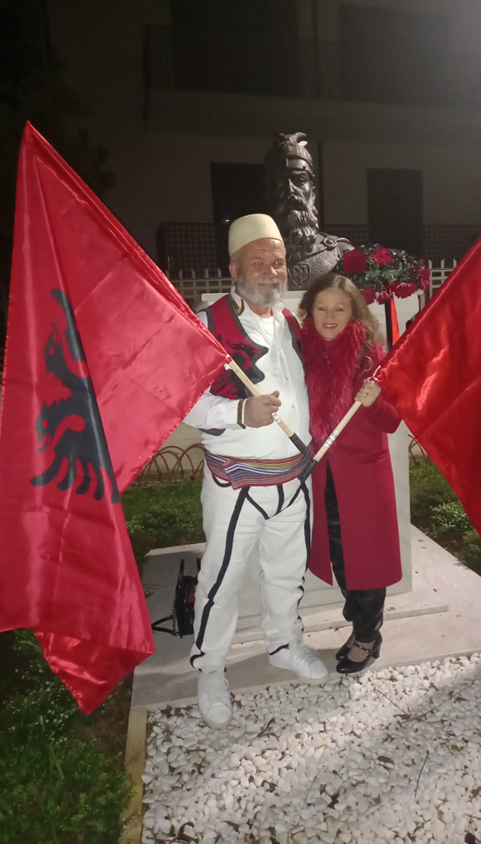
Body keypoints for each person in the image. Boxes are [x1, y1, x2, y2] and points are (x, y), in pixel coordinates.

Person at [184, 213, 328, 728]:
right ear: (234, 268)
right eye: (259, 261)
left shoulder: (291, 322)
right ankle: (209, 667)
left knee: (287, 572)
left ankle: (284, 643)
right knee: (220, 580)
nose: (271, 271)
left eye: (279, 261)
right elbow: (183, 402)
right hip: (235, 482)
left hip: (294, 478)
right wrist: (239, 413)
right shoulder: (206, 325)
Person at [298, 273, 403, 673]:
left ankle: (366, 634)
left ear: (353, 312)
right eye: (322, 307)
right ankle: (360, 618)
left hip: (363, 477)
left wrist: (375, 402)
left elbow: (392, 420)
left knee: (367, 557)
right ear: (309, 311)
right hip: (322, 474)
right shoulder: (299, 353)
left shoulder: (371, 356)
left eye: (339, 308)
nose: (330, 316)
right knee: (339, 554)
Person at [264, 132, 352, 289]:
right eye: (279, 182)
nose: (290, 190)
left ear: (313, 193)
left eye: (299, 180)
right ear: (268, 194)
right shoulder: (254, 256)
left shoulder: (340, 252)